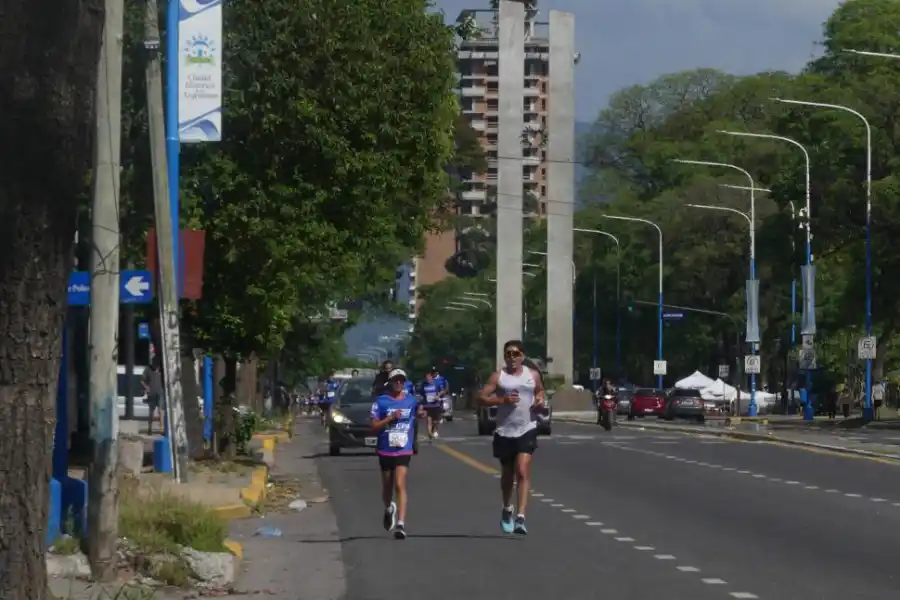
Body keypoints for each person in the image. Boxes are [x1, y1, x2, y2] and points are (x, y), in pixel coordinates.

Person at [478, 340, 545, 535]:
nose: (512, 357)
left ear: (523, 356)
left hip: (527, 427)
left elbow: (539, 390)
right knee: (508, 475)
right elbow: (481, 398)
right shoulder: (499, 377)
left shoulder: (532, 375)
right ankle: (507, 508)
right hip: (504, 430)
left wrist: (540, 399)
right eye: (508, 354)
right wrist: (502, 400)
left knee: (522, 470)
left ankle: (521, 517)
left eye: (516, 354)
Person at [370, 368, 423, 539]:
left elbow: (418, 414)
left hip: (403, 448)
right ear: (390, 382)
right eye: (396, 380)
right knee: (387, 487)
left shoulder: (411, 401)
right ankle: (389, 508)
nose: (399, 383)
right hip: (385, 449)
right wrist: (389, 418)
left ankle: (401, 524)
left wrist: (421, 414)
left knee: (400, 484)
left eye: (401, 380)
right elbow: (373, 425)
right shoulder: (381, 401)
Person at [141, 358, 164, 434]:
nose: (156, 366)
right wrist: (146, 387)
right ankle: (149, 428)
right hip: (151, 393)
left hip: (160, 392)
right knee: (151, 411)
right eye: (155, 364)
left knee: (160, 410)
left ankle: (161, 429)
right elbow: (142, 380)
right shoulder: (148, 369)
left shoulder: (161, 369)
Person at [419, 371, 443, 440]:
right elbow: (422, 394)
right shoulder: (423, 385)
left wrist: (438, 396)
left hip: (435, 405)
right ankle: (430, 433)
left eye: (429, 377)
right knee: (428, 420)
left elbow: (442, 391)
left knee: (435, 421)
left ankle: (434, 430)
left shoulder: (437, 383)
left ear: (432, 377)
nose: (428, 379)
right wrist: (421, 403)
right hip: (427, 405)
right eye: (426, 377)